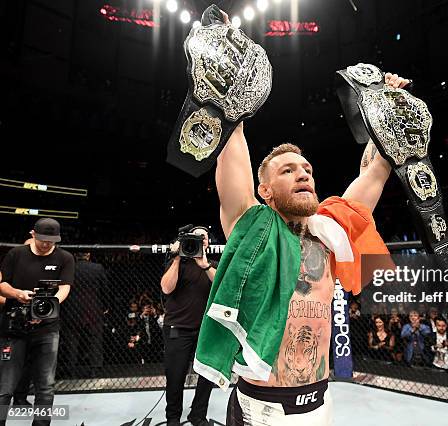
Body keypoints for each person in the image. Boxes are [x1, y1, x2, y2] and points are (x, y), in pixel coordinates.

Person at [195, 16, 410, 421]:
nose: (303, 173)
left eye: (307, 168)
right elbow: (231, 140)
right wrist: (227, 66)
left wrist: (388, 107)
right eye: (288, 170)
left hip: (319, 400)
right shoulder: (252, 224)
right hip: (261, 404)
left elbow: (376, 171)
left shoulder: (331, 231)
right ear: (266, 190)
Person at [0, 218, 75, 426]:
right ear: (33, 234)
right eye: (43, 240)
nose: (46, 244)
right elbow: (2, 284)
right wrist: (17, 294)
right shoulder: (16, 254)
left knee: (46, 386)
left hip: (47, 328)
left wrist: (49, 304)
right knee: (5, 387)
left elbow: (65, 287)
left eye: (51, 241)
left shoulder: (65, 258)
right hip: (14, 326)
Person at [160, 227, 217, 426]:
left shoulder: (212, 265)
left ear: (208, 242)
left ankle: (198, 415)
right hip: (178, 328)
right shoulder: (177, 263)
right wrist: (176, 257)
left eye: (204, 237)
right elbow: (166, 288)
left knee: (207, 375)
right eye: (196, 237)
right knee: (175, 376)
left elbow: (221, 285)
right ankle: (173, 417)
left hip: (206, 330)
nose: (201, 241)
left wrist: (204, 264)